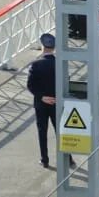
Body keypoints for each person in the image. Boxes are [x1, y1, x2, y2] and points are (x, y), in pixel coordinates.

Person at [27, 33, 74, 169]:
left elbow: (30, 85)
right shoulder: (60, 63)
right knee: (61, 130)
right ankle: (68, 158)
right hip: (57, 102)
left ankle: (45, 159)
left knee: (42, 131)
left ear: (43, 47)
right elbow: (66, 82)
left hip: (41, 104)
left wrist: (42, 96)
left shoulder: (36, 64)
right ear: (54, 48)